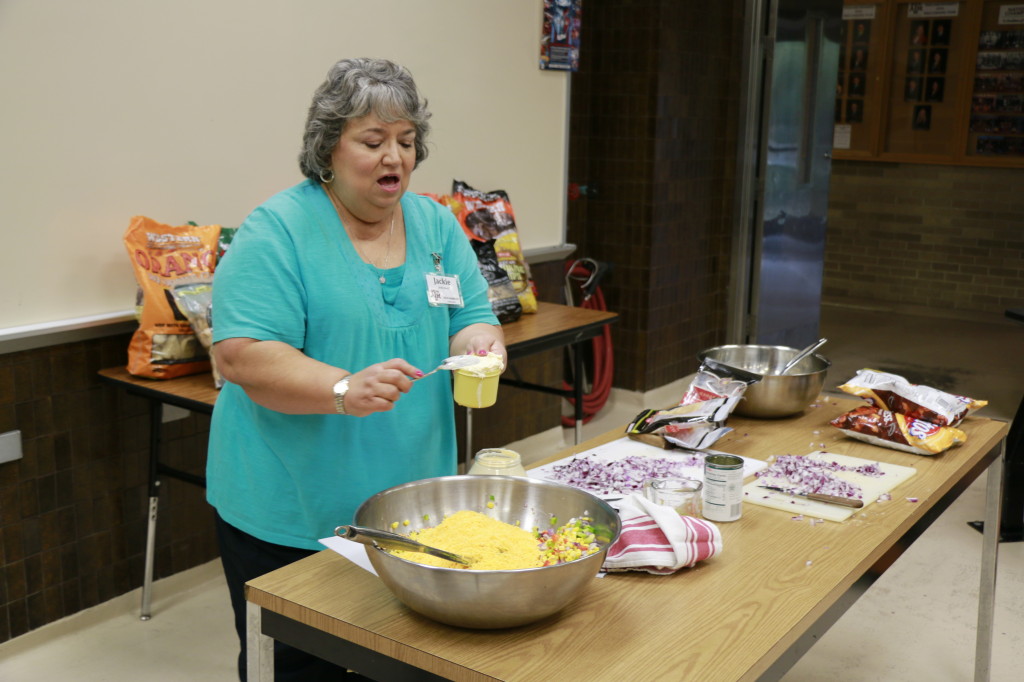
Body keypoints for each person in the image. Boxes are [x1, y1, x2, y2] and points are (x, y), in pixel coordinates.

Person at [206, 57, 506, 681]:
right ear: (327, 150)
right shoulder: (277, 232)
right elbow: (242, 356)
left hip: (408, 506)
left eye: (405, 141)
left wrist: (481, 344)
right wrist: (342, 387)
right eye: (372, 142)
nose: (393, 156)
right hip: (292, 511)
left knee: (396, 658)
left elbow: (472, 313)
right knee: (298, 667)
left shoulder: (431, 224)